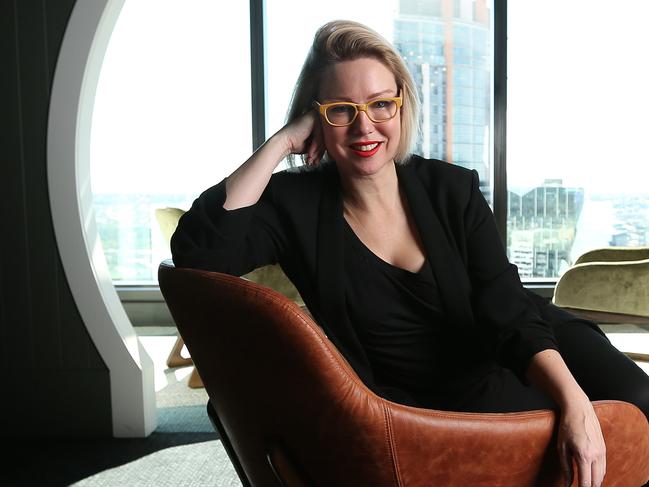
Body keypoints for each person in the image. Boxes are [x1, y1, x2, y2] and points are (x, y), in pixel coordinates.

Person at [171, 19, 649, 487]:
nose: (365, 127)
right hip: (434, 398)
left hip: (524, 341)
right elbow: (199, 253)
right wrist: (281, 142)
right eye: (341, 109)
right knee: (547, 446)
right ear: (316, 117)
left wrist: (573, 398)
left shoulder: (451, 188)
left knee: (635, 399)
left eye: (381, 104)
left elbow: (506, 307)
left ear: (401, 106)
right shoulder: (294, 205)